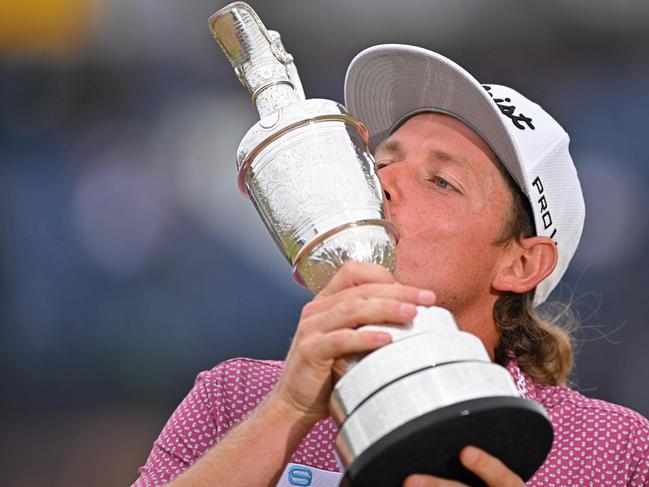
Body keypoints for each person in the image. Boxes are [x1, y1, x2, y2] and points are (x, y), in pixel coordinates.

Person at [133, 45, 649, 486]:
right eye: (380, 161)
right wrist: (285, 413)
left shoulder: (614, 450)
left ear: (520, 263)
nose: (382, 184)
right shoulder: (237, 399)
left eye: (441, 181)